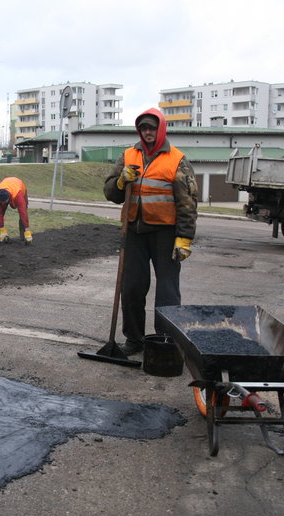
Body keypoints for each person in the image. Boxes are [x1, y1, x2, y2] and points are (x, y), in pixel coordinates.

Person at [103, 108, 198, 356]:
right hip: (134, 231)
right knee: (132, 287)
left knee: (167, 290)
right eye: (143, 128)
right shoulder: (127, 156)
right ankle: (134, 339)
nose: (147, 132)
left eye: (152, 128)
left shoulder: (177, 160)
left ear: (161, 129)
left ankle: (166, 341)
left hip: (165, 234)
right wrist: (121, 182)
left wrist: (184, 238)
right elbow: (110, 193)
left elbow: (188, 202)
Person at [0, 177, 33, 244]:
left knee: (23, 213)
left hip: (19, 186)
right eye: (1, 202)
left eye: (4, 202)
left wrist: (27, 230)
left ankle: (24, 238)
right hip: (7, 183)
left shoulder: (18, 195)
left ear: (9, 198)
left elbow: (23, 213)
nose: (3, 204)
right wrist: (2, 229)